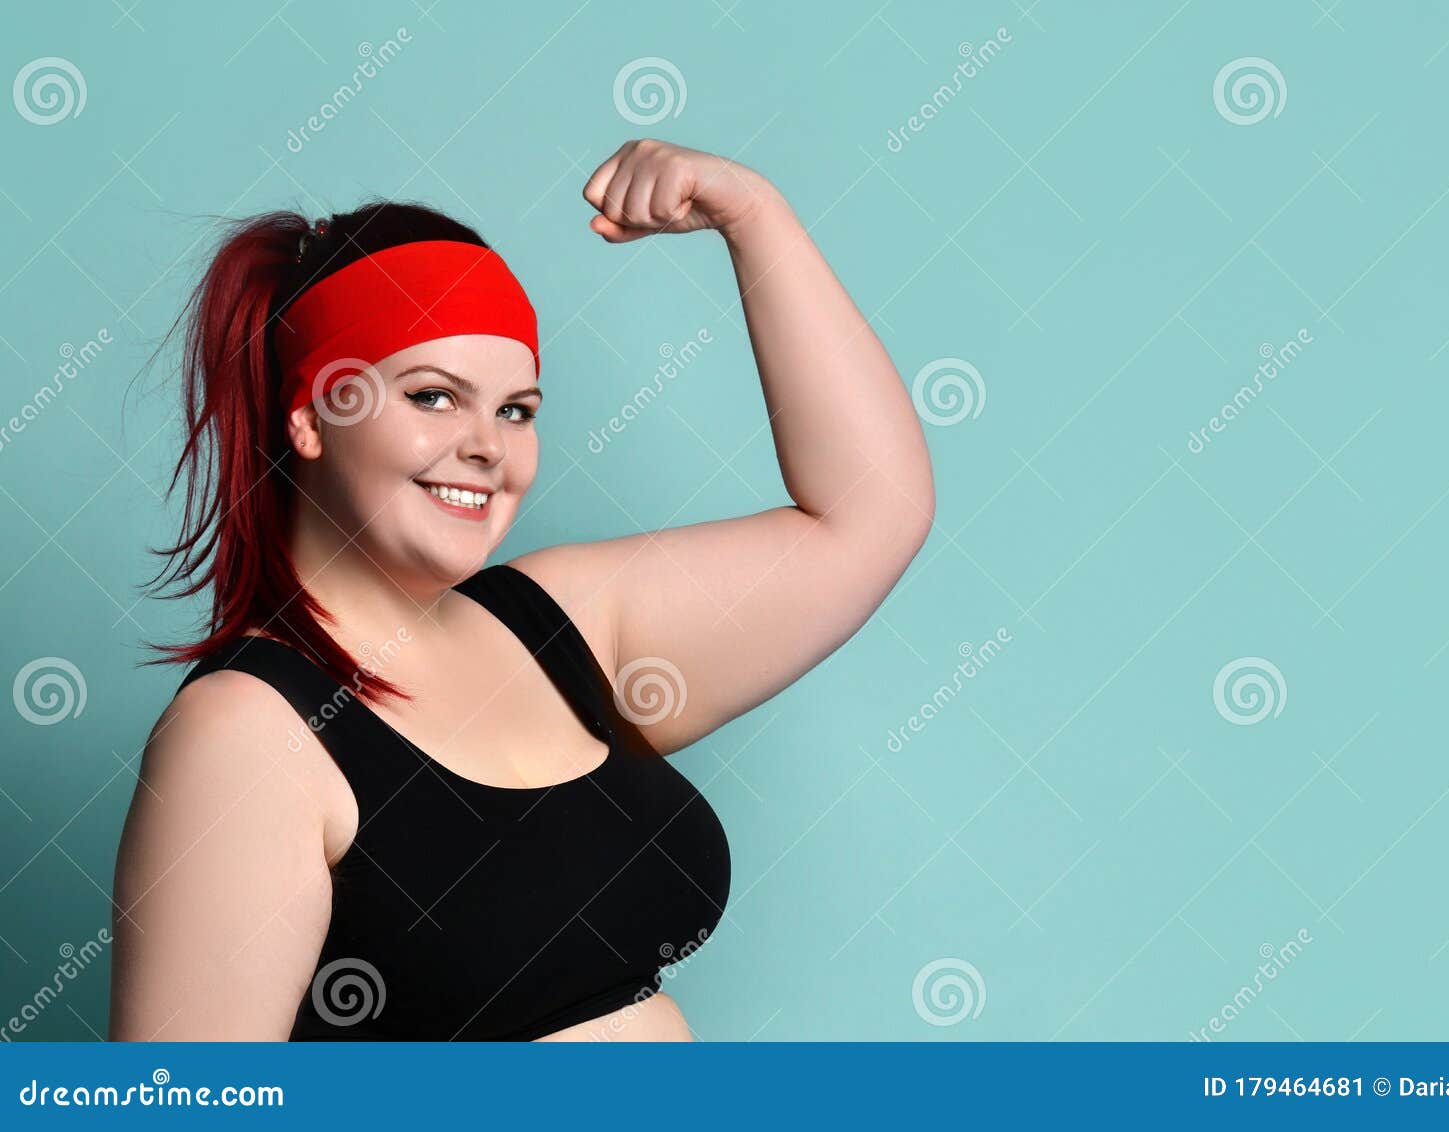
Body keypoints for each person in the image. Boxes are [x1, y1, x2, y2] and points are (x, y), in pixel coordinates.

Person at [108, 138, 935, 1041]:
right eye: (433, 397)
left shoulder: (562, 623)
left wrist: (754, 215)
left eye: (516, 410)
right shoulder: (245, 736)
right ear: (312, 415)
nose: (487, 447)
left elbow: (870, 515)